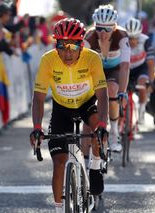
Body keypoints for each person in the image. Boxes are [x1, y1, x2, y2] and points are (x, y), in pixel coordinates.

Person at [29, 18, 109, 213]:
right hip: (61, 108)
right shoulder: (48, 60)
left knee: (96, 128)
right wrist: (37, 128)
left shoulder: (92, 58)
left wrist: (103, 125)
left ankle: (96, 166)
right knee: (58, 163)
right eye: (61, 46)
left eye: (73, 46)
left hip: (86, 103)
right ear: (55, 45)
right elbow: (38, 98)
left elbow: (102, 94)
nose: (67, 52)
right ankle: (58, 209)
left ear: (81, 44)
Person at [83, 4, 131, 152]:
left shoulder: (121, 36)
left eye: (108, 29)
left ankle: (114, 132)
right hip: (96, 70)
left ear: (114, 27)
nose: (103, 33)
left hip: (115, 70)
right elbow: (82, 67)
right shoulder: (89, 36)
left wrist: (122, 91)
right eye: (99, 28)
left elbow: (125, 66)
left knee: (113, 90)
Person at [125, 17, 155, 124]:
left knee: (142, 84)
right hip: (126, 67)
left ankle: (142, 110)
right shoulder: (121, 40)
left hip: (141, 68)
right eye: (130, 38)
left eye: (135, 38)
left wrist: (151, 82)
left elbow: (151, 63)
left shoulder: (146, 41)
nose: (132, 41)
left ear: (140, 35)